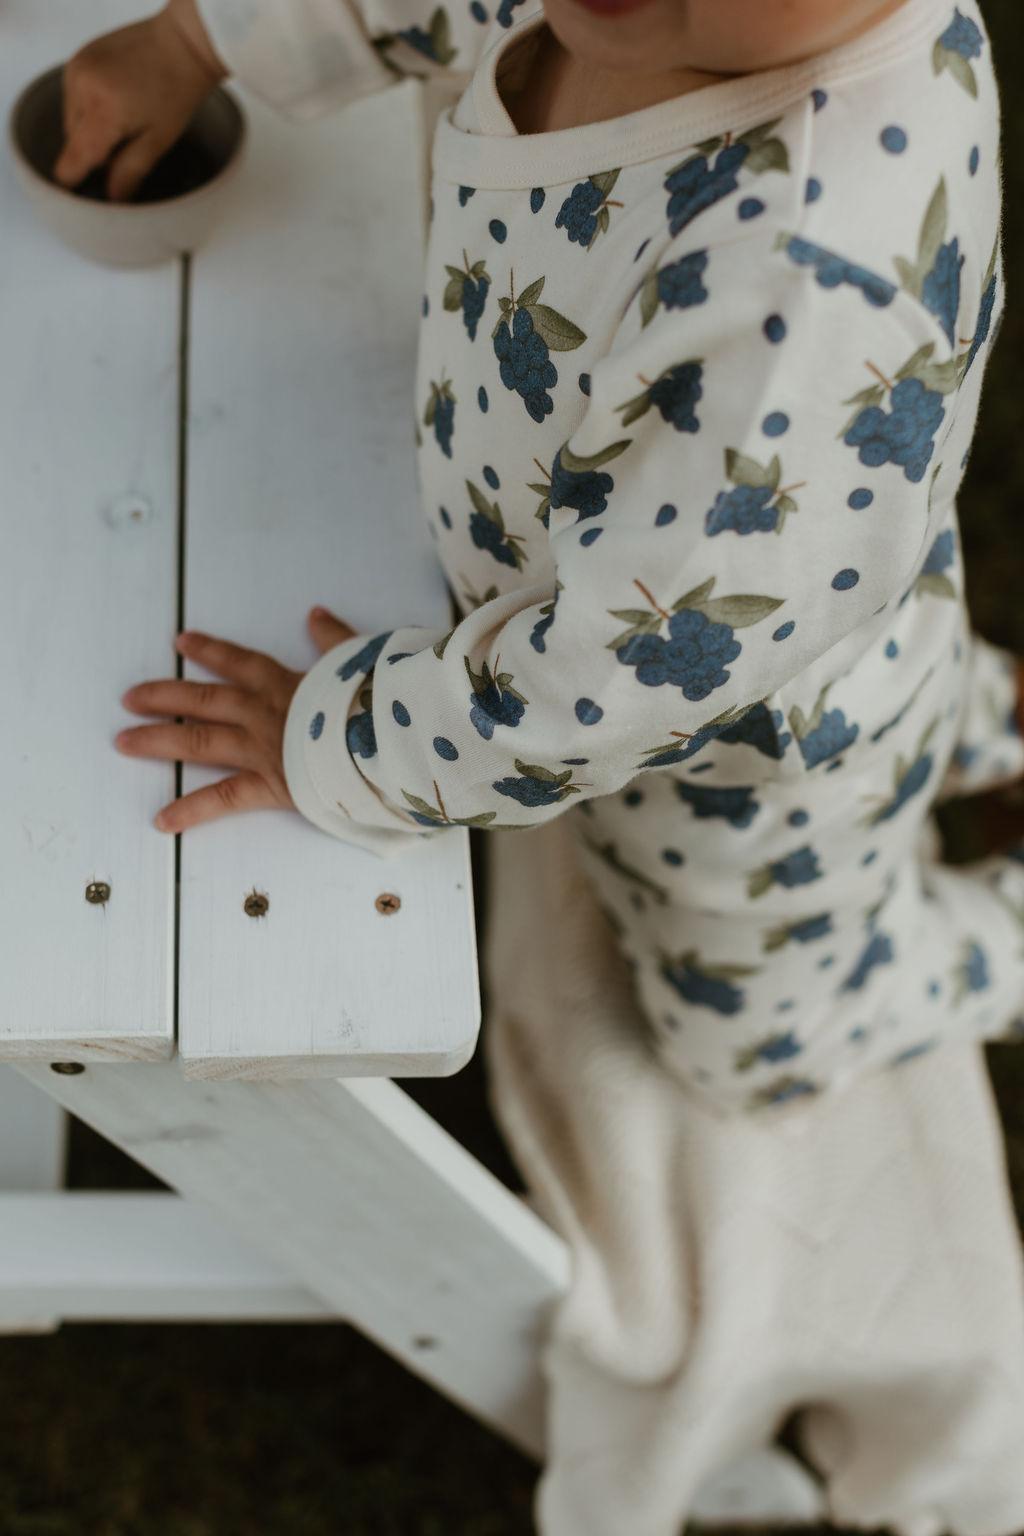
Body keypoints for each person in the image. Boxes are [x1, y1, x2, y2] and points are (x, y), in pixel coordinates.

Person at [63, 0, 1024, 1529]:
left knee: (751, 1040)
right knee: (886, 651)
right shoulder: (649, 16)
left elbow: (609, 692)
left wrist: (344, 736)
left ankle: (988, 940)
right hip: (787, 598)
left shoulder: (808, 289)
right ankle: (974, 717)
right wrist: (199, 41)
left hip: (741, 774)